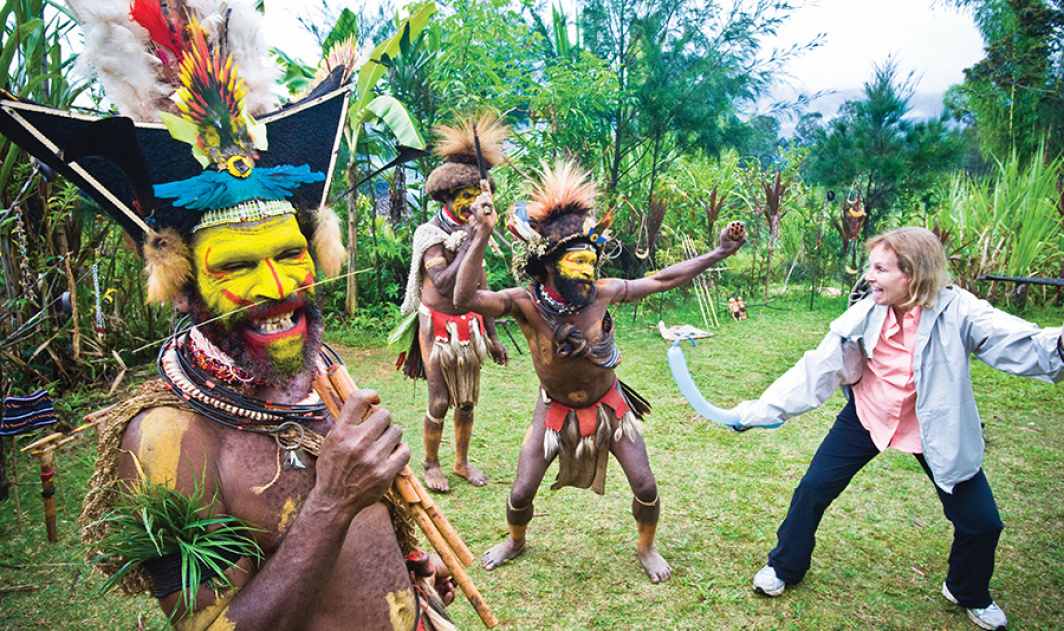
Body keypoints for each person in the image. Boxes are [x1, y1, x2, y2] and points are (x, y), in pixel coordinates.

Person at [0, 10, 457, 629]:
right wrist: (332, 501)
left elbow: (334, 543)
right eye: (239, 266)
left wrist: (400, 568)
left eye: (291, 254)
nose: (278, 288)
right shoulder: (166, 441)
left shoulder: (315, 377)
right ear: (185, 288)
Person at [733, 227, 1064, 631]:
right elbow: (817, 369)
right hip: (869, 414)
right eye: (871, 267)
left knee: (982, 523)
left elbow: (1013, 339)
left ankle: (966, 589)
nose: (869, 276)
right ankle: (784, 566)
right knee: (813, 489)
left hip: (936, 425)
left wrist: (1058, 346)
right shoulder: (866, 310)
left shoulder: (959, 310)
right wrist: (758, 412)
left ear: (914, 273)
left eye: (881, 269)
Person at [453, 159, 747, 583]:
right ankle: (516, 540)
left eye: (591, 260)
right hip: (553, 411)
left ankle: (646, 546)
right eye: (577, 261)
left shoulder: (604, 293)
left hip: (610, 407)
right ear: (548, 264)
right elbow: (464, 298)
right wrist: (480, 234)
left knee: (645, 485)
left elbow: (663, 280)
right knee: (520, 492)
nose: (589, 270)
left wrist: (719, 252)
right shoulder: (523, 302)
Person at [396, 114, 509, 493]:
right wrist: (474, 238)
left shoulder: (471, 232)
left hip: (470, 327)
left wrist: (492, 336)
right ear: (446, 197)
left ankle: (460, 462)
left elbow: (480, 284)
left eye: (474, 199)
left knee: (466, 401)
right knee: (441, 399)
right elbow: (443, 282)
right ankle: (430, 464)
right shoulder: (430, 233)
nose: (469, 206)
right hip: (437, 327)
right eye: (463, 198)